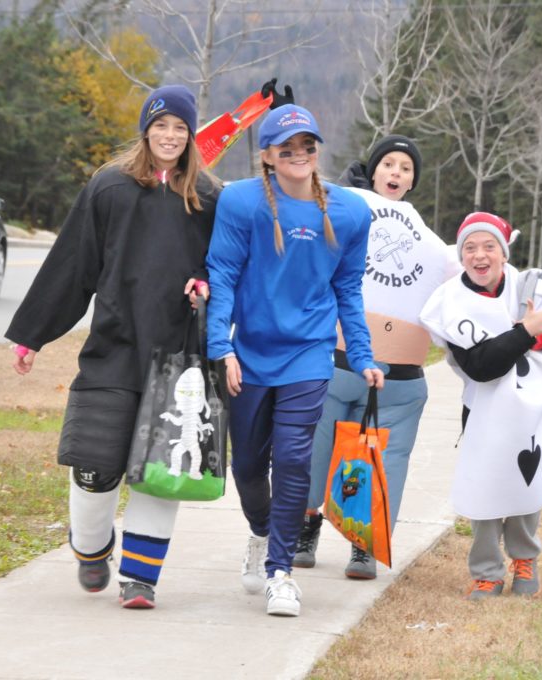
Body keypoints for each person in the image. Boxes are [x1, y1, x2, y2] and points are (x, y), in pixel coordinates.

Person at [6, 85, 219, 609]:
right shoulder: (109, 188)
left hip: (176, 355)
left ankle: (141, 578)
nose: (170, 136)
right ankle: (92, 547)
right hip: (115, 346)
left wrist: (205, 280)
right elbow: (73, 266)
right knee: (94, 466)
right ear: (146, 129)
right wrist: (33, 333)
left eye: (180, 128)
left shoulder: (209, 197)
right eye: (161, 125)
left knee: (157, 471)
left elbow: (227, 262)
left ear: (191, 136)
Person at [205, 104, 385, 617]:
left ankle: (280, 571)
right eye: (287, 148)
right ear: (267, 156)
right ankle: (261, 532)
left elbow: (348, 289)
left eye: (307, 146)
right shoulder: (242, 203)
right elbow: (221, 275)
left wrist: (364, 354)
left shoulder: (350, 213)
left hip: (309, 354)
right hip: (251, 351)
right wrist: (222, 347)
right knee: (245, 467)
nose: (299, 154)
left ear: (316, 151)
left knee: (291, 459)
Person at [294, 135, 460, 579]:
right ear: (374, 170)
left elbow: (468, 281)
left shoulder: (433, 246)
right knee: (315, 450)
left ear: (412, 182)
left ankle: (362, 542)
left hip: (398, 373)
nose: (396, 173)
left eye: (406, 168)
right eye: (388, 163)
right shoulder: (348, 211)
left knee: (379, 461)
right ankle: (305, 525)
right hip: (336, 359)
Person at [419, 212, 542, 599]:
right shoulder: (450, 302)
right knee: (484, 484)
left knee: (529, 482)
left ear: (504, 253)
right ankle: (487, 571)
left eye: (489, 246)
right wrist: (525, 331)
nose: (480, 255)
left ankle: (525, 559)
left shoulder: (531, 288)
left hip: (537, 407)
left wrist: (540, 340)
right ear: (461, 256)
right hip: (484, 408)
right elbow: (482, 366)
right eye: (470, 248)